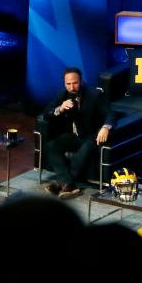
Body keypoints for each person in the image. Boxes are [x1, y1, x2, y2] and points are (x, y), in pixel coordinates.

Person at [43, 67, 118, 198]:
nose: (72, 87)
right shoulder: (62, 95)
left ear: (81, 81)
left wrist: (106, 127)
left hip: (93, 136)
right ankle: (67, 184)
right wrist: (60, 108)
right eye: (68, 84)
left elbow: (110, 114)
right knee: (52, 146)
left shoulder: (94, 95)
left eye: (75, 83)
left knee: (86, 148)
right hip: (75, 136)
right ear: (64, 84)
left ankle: (63, 183)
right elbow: (46, 114)